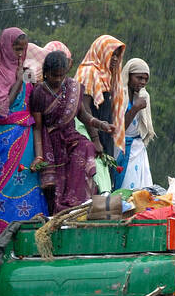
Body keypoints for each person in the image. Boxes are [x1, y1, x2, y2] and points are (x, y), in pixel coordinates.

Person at [0, 27, 49, 234]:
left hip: (27, 135)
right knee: (9, 184)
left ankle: (32, 233)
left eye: (23, 49)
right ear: (5, 46)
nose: (20, 54)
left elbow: (31, 102)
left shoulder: (26, 69)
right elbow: (2, 109)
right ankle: (6, 234)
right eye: (16, 48)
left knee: (31, 181)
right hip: (5, 136)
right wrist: (19, 79)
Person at [30, 51, 107, 214]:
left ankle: (77, 205)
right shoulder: (38, 93)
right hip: (51, 142)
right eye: (54, 75)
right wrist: (39, 155)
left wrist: (100, 126)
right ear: (45, 73)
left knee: (85, 148)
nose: (58, 79)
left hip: (71, 137)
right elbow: (37, 127)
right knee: (57, 186)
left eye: (61, 75)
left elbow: (83, 114)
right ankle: (60, 212)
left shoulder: (72, 87)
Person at [74, 34, 126, 194]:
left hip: (103, 131)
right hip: (88, 132)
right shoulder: (89, 72)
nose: (115, 59)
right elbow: (84, 108)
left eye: (118, 55)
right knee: (94, 180)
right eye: (112, 54)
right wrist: (95, 140)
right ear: (101, 52)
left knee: (105, 181)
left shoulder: (108, 75)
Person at [113, 57, 154, 190]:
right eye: (139, 77)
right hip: (121, 147)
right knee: (124, 190)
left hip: (138, 148)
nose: (142, 82)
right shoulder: (120, 95)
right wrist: (135, 108)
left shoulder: (143, 96)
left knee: (142, 191)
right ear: (129, 76)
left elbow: (144, 128)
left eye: (145, 79)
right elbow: (119, 129)